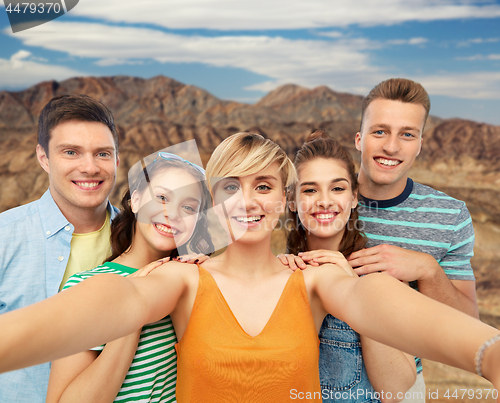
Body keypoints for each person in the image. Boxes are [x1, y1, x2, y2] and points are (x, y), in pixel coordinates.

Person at [0, 133, 499, 403]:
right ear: (213, 202)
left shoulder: (315, 279)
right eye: (230, 187)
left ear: (283, 200)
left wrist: (488, 354)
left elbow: (378, 301)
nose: (247, 201)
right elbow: (114, 299)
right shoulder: (184, 278)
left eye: (263, 185)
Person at [46, 151, 213, 403]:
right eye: (162, 197)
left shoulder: (197, 282)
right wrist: (133, 312)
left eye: (188, 207)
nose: (172, 213)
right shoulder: (85, 286)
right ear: (135, 201)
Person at [280, 130, 417, 403]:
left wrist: (359, 292)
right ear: (292, 201)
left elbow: (396, 390)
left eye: (338, 188)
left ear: (354, 197)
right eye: (309, 189)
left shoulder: (380, 275)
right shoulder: (281, 271)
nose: (324, 201)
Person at [0, 94, 120, 403]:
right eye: (71, 152)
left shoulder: (144, 239)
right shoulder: (5, 236)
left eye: (103, 154)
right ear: (43, 157)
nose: (90, 167)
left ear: (117, 160)